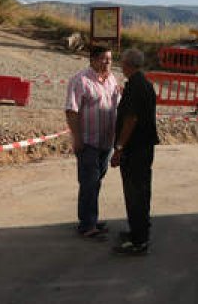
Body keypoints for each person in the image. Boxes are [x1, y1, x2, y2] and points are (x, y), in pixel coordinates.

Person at [64, 45, 121, 239]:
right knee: (89, 182)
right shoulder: (80, 80)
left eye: (110, 59)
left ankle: (91, 219)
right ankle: (87, 225)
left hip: (106, 142)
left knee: (96, 182)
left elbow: (116, 104)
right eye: (104, 59)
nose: (108, 62)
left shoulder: (112, 79)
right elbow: (71, 111)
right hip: (88, 141)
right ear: (93, 60)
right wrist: (77, 138)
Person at [111, 47, 159, 256]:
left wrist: (119, 148)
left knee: (135, 194)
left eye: (122, 62)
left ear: (128, 64)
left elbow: (130, 119)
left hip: (135, 149)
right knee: (141, 191)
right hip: (144, 147)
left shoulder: (135, 87)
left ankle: (139, 241)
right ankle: (138, 232)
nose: (121, 66)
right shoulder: (144, 83)